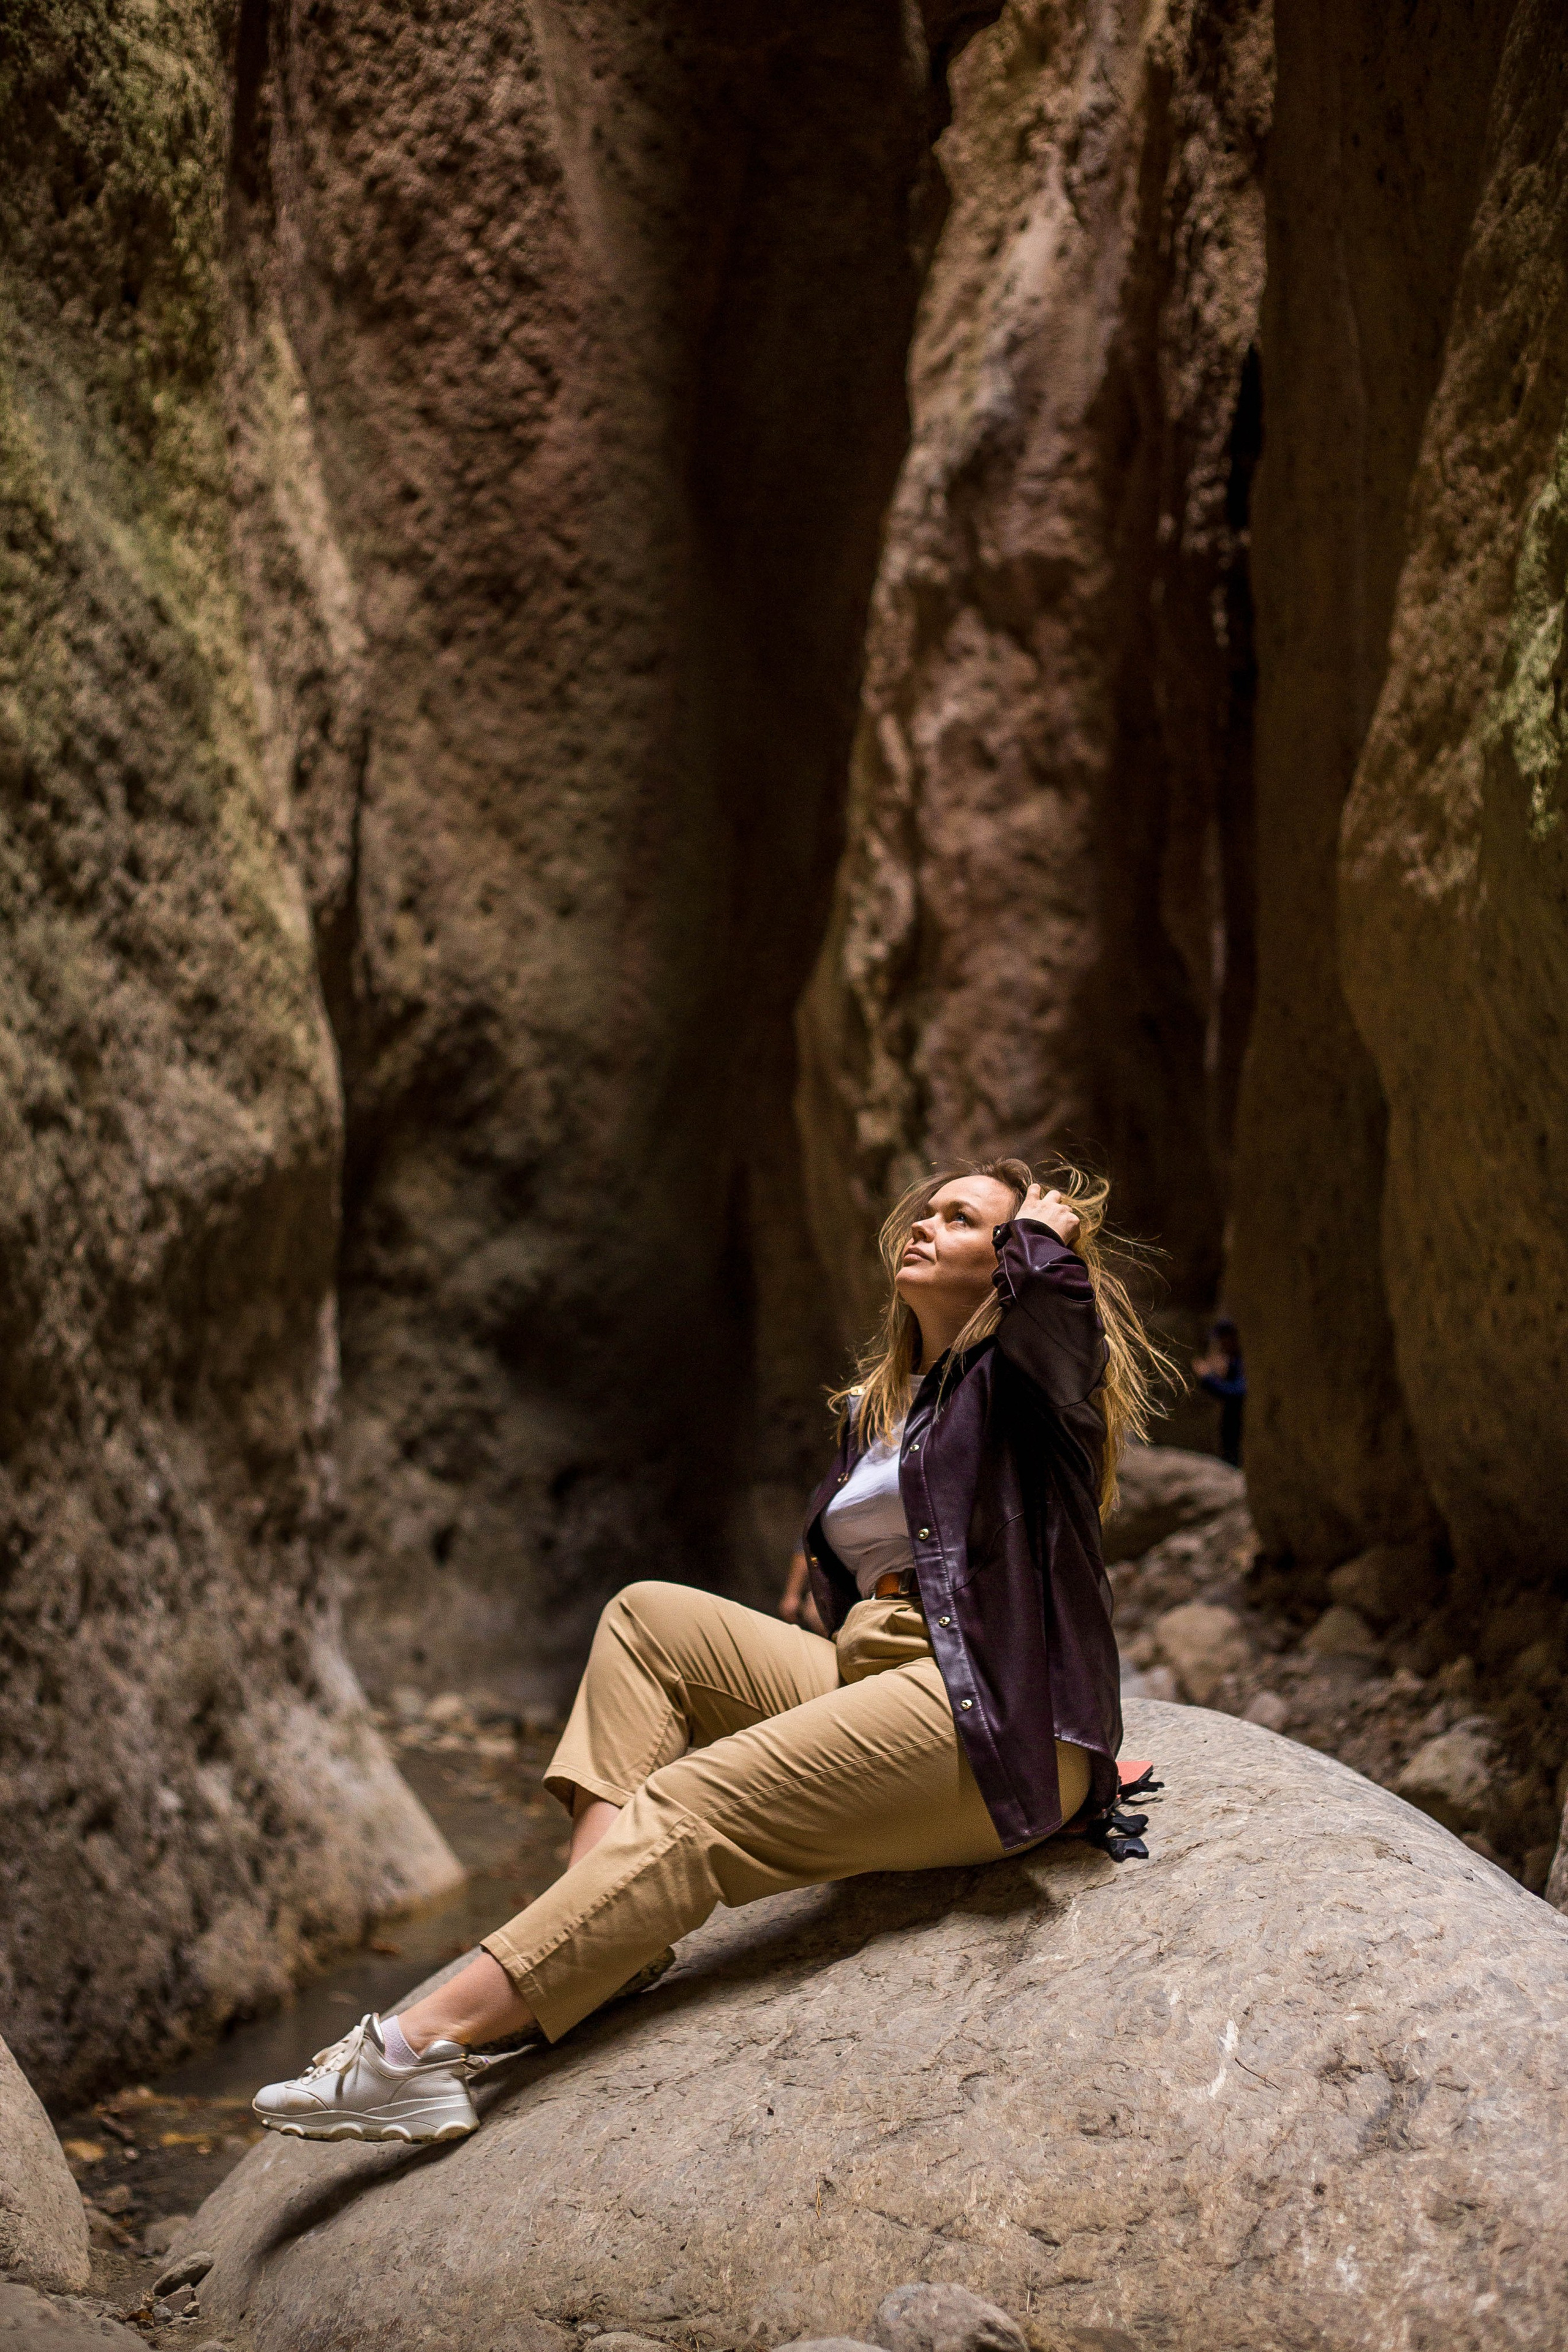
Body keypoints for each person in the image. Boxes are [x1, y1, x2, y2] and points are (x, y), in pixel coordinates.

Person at [252, 1157, 1170, 2145]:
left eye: (962, 1221)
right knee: (648, 1617)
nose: (924, 1226)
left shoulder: (1033, 1384)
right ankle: (597, 1931)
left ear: (1011, 1265)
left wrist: (1045, 1237)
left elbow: (1066, 1349)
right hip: (887, 1667)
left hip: (989, 1706)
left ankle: (412, 2054)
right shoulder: (899, 1403)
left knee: (688, 1805)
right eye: (925, 1210)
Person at [1193, 1315, 1246, 1466]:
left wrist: (1208, 1378)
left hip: (1241, 1433)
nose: (1221, 1345)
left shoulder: (1243, 1362)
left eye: (1223, 1339)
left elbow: (1237, 1393)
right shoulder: (1233, 1361)